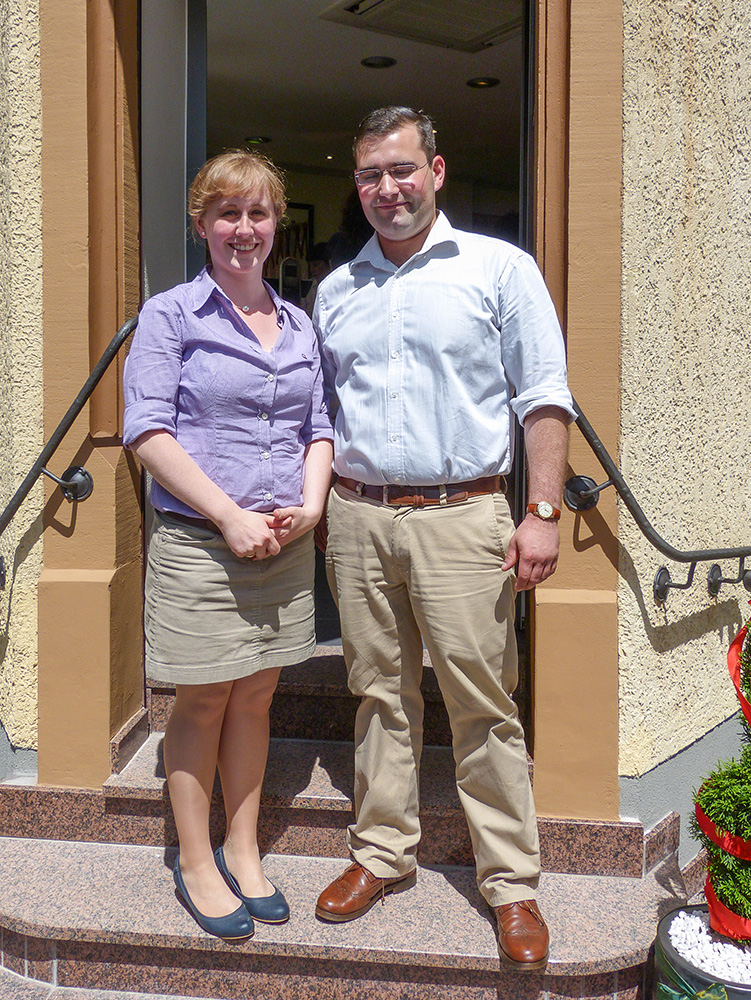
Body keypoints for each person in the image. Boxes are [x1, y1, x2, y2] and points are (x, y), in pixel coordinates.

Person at [312, 108, 575, 971]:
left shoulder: (498, 269)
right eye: (368, 176)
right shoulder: (336, 288)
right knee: (378, 693)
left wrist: (541, 512)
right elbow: (320, 413)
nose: (385, 189)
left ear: (436, 170)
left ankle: (510, 884)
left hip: (464, 516)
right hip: (357, 516)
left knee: (481, 703)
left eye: (400, 170)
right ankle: (381, 854)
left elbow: (542, 394)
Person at [123, 150, 333, 940]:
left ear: (276, 223)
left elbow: (317, 427)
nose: (243, 229)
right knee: (204, 698)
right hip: (202, 544)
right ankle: (196, 858)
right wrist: (227, 515)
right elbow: (146, 428)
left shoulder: (300, 322)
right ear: (202, 223)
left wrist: (310, 505)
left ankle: (244, 849)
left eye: (257, 213)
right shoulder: (171, 315)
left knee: (256, 696)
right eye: (226, 214)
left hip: (283, 545)